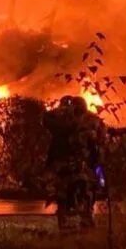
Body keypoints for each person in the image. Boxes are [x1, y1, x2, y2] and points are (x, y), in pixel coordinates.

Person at [44, 95, 105, 231]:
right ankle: (73, 221)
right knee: (66, 194)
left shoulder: (88, 121)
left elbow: (99, 141)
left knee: (83, 192)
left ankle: (84, 219)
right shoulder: (65, 122)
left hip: (83, 165)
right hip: (71, 164)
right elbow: (47, 120)